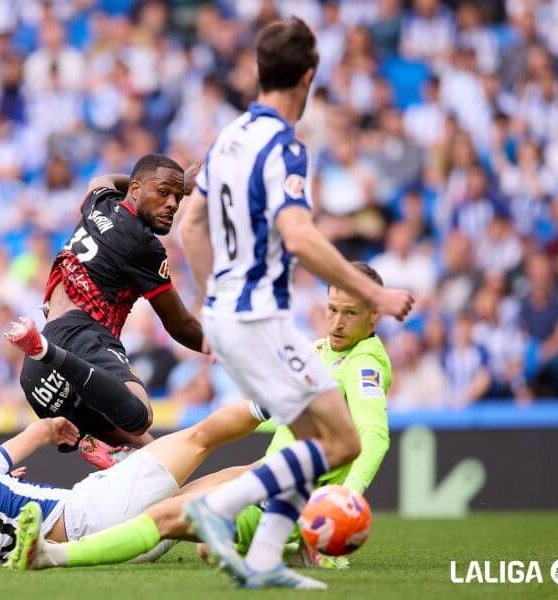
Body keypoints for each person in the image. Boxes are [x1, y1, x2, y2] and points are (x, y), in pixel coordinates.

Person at [178, 19, 413, 588]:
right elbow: (302, 239)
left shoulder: (227, 136)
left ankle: (262, 560)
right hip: (260, 315)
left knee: (318, 443)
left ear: (260, 72)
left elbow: (190, 224)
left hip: (230, 314)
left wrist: (211, 305)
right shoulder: (284, 147)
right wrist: (376, 293)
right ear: (308, 77)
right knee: (342, 442)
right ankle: (223, 505)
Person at [5, 263, 393, 579]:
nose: (338, 322)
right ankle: (302, 549)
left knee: (166, 515)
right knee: (196, 529)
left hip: (298, 497)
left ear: (375, 315)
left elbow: (374, 435)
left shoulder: (365, 364)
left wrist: (349, 493)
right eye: (332, 310)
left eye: (351, 313)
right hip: (270, 476)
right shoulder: (321, 349)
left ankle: (54, 555)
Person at [4, 154, 205, 461]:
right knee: (140, 415)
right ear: (135, 191)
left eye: (177, 197)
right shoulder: (143, 245)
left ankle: (102, 449)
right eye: (163, 193)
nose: (173, 205)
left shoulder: (100, 202)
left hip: (37, 376)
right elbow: (179, 325)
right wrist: (224, 346)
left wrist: (172, 184)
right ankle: (47, 352)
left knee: (154, 459)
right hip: (79, 337)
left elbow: (101, 180)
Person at [0, 401, 265, 564]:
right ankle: (273, 403)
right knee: (199, 438)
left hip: (120, 550)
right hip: (91, 510)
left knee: (213, 486)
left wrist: (0, 489)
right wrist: (60, 425)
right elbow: (41, 430)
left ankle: (278, 471)